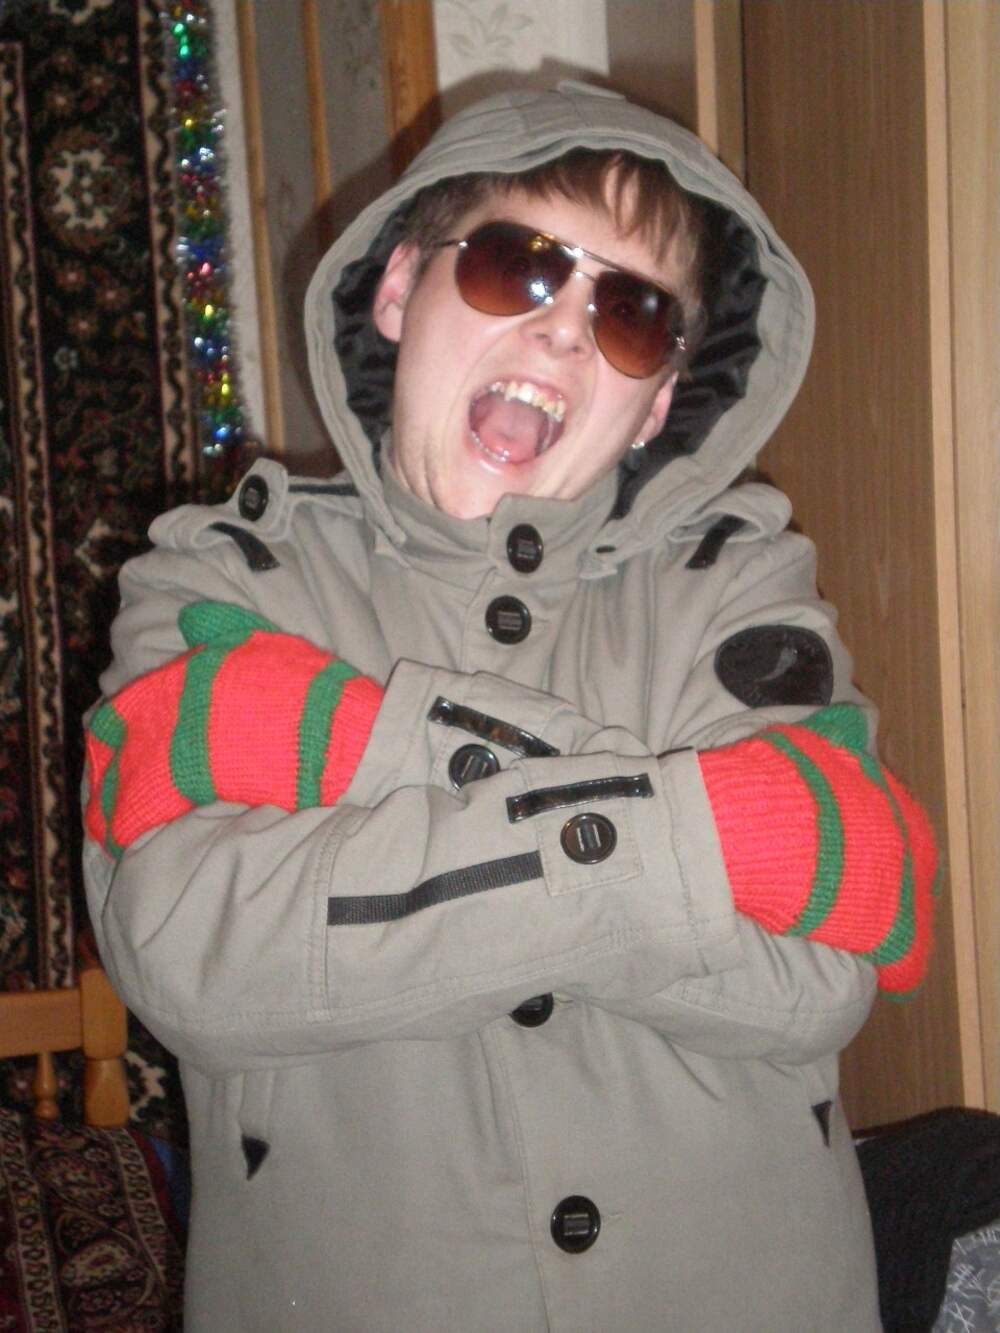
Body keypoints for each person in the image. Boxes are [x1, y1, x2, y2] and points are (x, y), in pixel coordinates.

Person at [82, 81, 936, 1331]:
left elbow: (818, 975)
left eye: (632, 314)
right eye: (515, 265)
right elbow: (192, 951)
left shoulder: (737, 582)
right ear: (399, 288)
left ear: (656, 403)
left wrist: (367, 747)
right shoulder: (218, 583)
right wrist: (704, 838)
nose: (564, 333)